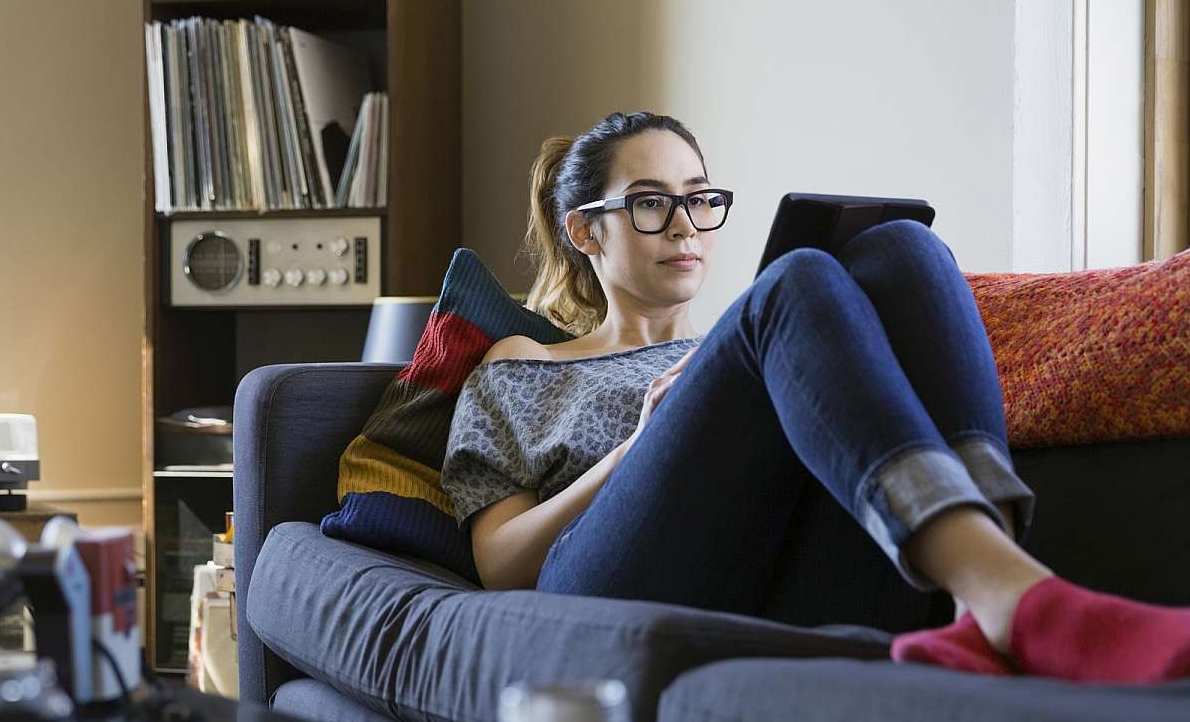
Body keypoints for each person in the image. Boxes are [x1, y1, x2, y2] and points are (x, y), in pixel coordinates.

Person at [440, 110, 1190, 683]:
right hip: (597, 583)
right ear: (585, 231)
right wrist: (639, 443)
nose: (685, 227)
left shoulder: (757, 349)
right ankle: (1016, 601)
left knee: (904, 246)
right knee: (794, 279)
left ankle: (979, 597)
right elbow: (500, 566)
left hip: (787, 565)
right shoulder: (527, 359)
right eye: (649, 204)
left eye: (700, 201)